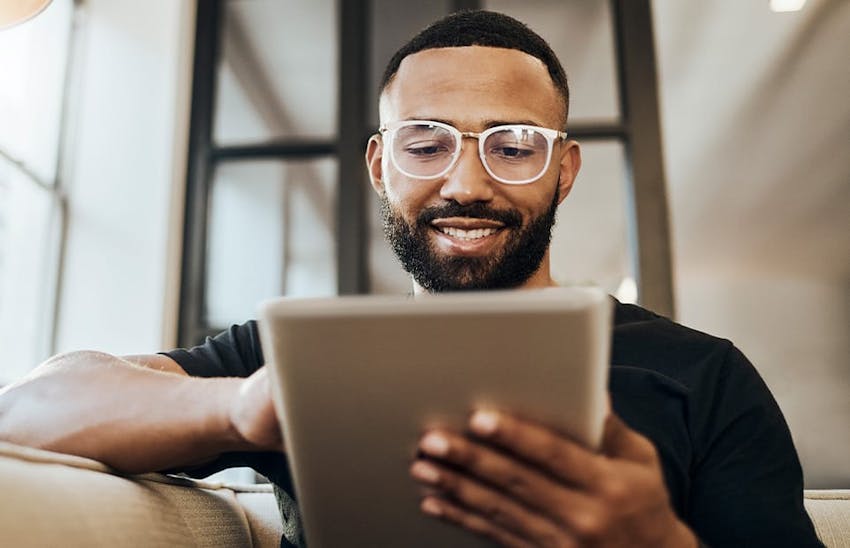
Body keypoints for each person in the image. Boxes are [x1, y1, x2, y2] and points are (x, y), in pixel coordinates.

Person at [0, 10, 822, 548]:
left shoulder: (703, 373)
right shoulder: (294, 357)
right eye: (426, 144)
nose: (466, 184)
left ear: (564, 171)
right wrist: (241, 406)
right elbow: (29, 414)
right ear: (379, 165)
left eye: (512, 144)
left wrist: (657, 541)